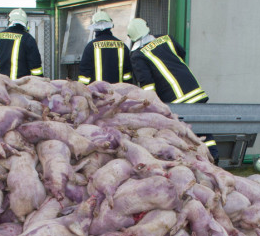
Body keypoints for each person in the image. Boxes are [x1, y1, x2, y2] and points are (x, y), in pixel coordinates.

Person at [127, 18, 218, 162]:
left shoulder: (137, 55)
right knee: (203, 128)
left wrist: (152, 105)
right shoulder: (166, 39)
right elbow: (181, 54)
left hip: (176, 99)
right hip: (194, 89)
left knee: (185, 132)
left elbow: (147, 85)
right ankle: (214, 156)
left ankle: (200, 162)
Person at [77, 10, 133, 85]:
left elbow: (84, 76)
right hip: (118, 91)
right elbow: (127, 75)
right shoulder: (123, 46)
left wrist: (82, 89)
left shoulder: (90, 47)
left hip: (97, 91)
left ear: (94, 28)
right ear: (110, 26)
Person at [0, 8, 43, 80]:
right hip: (21, 84)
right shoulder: (28, 39)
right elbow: (36, 68)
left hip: (1, 84)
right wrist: (40, 81)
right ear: (25, 23)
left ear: (9, 21)